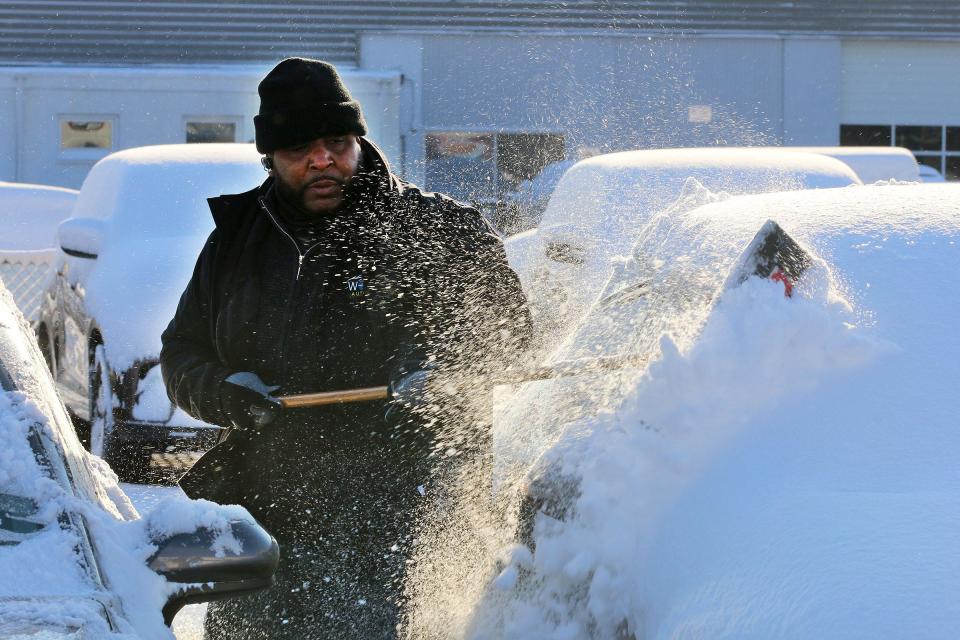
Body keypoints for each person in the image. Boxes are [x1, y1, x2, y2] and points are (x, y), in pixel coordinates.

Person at [159, 57, 532, 639]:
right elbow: (182, 355)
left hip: (401, 514)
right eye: (298, 149)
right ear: (269, 158)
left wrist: (440, 375)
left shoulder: (436, 230)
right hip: (268, 519)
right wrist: (224, 393)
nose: (322, 160)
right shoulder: (236, 241)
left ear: (357, 139)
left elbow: (508, 340)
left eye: (336, 142)